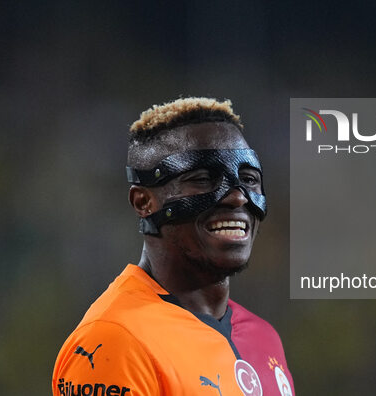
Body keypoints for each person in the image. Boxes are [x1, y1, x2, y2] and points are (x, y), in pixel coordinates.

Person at [52, 97, 295, 396]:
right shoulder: (116, 340)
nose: (237, 197)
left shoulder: (263, 337)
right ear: (144, 201)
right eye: (203, 179)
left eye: (248, 179)